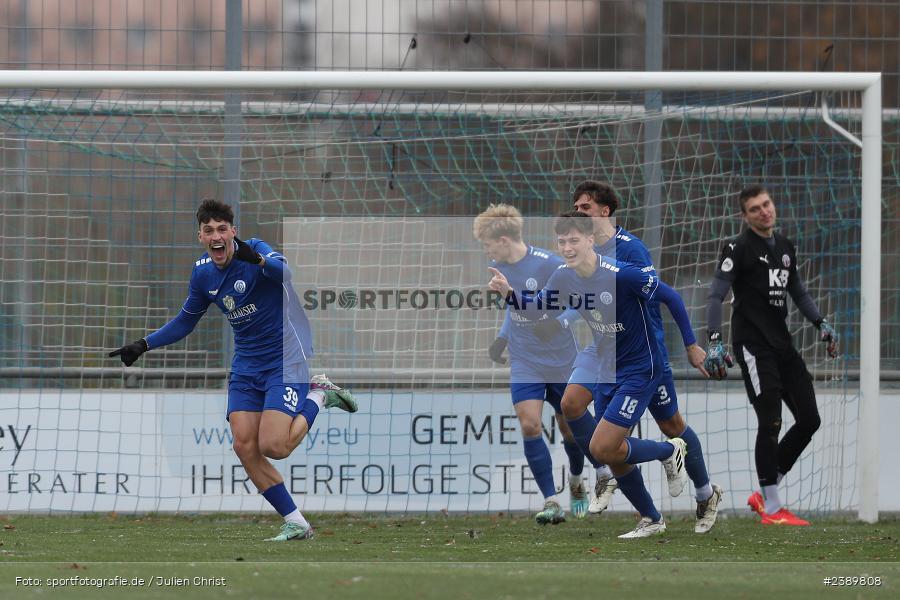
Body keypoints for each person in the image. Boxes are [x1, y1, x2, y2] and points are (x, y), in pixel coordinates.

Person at [110, 199, 358, 541]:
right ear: (200, 236)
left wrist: (256, 259)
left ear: (233, 232)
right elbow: (186, 320)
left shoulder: (255, 251)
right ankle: (297, 522)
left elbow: (285, 273)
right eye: (208, 230)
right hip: (247, 364)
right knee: (244, 445)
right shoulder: (203, 274)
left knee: (275, 446)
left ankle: (319, 394)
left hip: (285, 359)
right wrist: (143, 344)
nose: (216, 236)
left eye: (222, 229)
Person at [489, 211, 689, 539]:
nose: (567, 247)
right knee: (602, 445)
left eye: (574, 240)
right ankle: (652, 517)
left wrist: (693, 344)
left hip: (641, 367)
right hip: (606, 363)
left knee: (603, 447)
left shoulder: (622, 275)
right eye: (562, 241)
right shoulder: (564, 277)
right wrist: (509, 292)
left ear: (590, 241)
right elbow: (539, 308)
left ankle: (669, 452)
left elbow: (672, 297)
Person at [562, 180, 723, 534]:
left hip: (642, 351)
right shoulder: (579, 248)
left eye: (584, 207)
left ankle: (705, 493)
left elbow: (659, 295)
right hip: (604, 349)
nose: (577, 213)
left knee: (671, 425)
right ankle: (625, 493)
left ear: (605, 211)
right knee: (573, 405)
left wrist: (692, 344)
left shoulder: (630, 250)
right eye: (575, 208)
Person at [704, 184, 838, 526]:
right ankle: (774, 508)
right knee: (771, 421)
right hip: (752, 346)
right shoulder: (738, 247)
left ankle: (765, 493)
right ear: (745, 216)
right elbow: (715, 295)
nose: (764, 211)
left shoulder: (785, 247)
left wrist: (821, 323)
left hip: (783, 346)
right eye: (755, 209)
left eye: (766, 204)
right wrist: (715, 342)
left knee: (810, 419)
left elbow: (799, 292)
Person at [474, 204, 593, 524]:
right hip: (526, 359)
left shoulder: (550, 264)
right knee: (529, 424)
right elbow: (516, 310)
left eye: (486, 243)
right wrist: (502, 337)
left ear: (502, 239)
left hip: (560, 359)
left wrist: (559, 323)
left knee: (570, 430)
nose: (486, 251)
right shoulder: (499, 270)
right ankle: (551, 501)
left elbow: (580, 302)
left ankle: (577, 481)